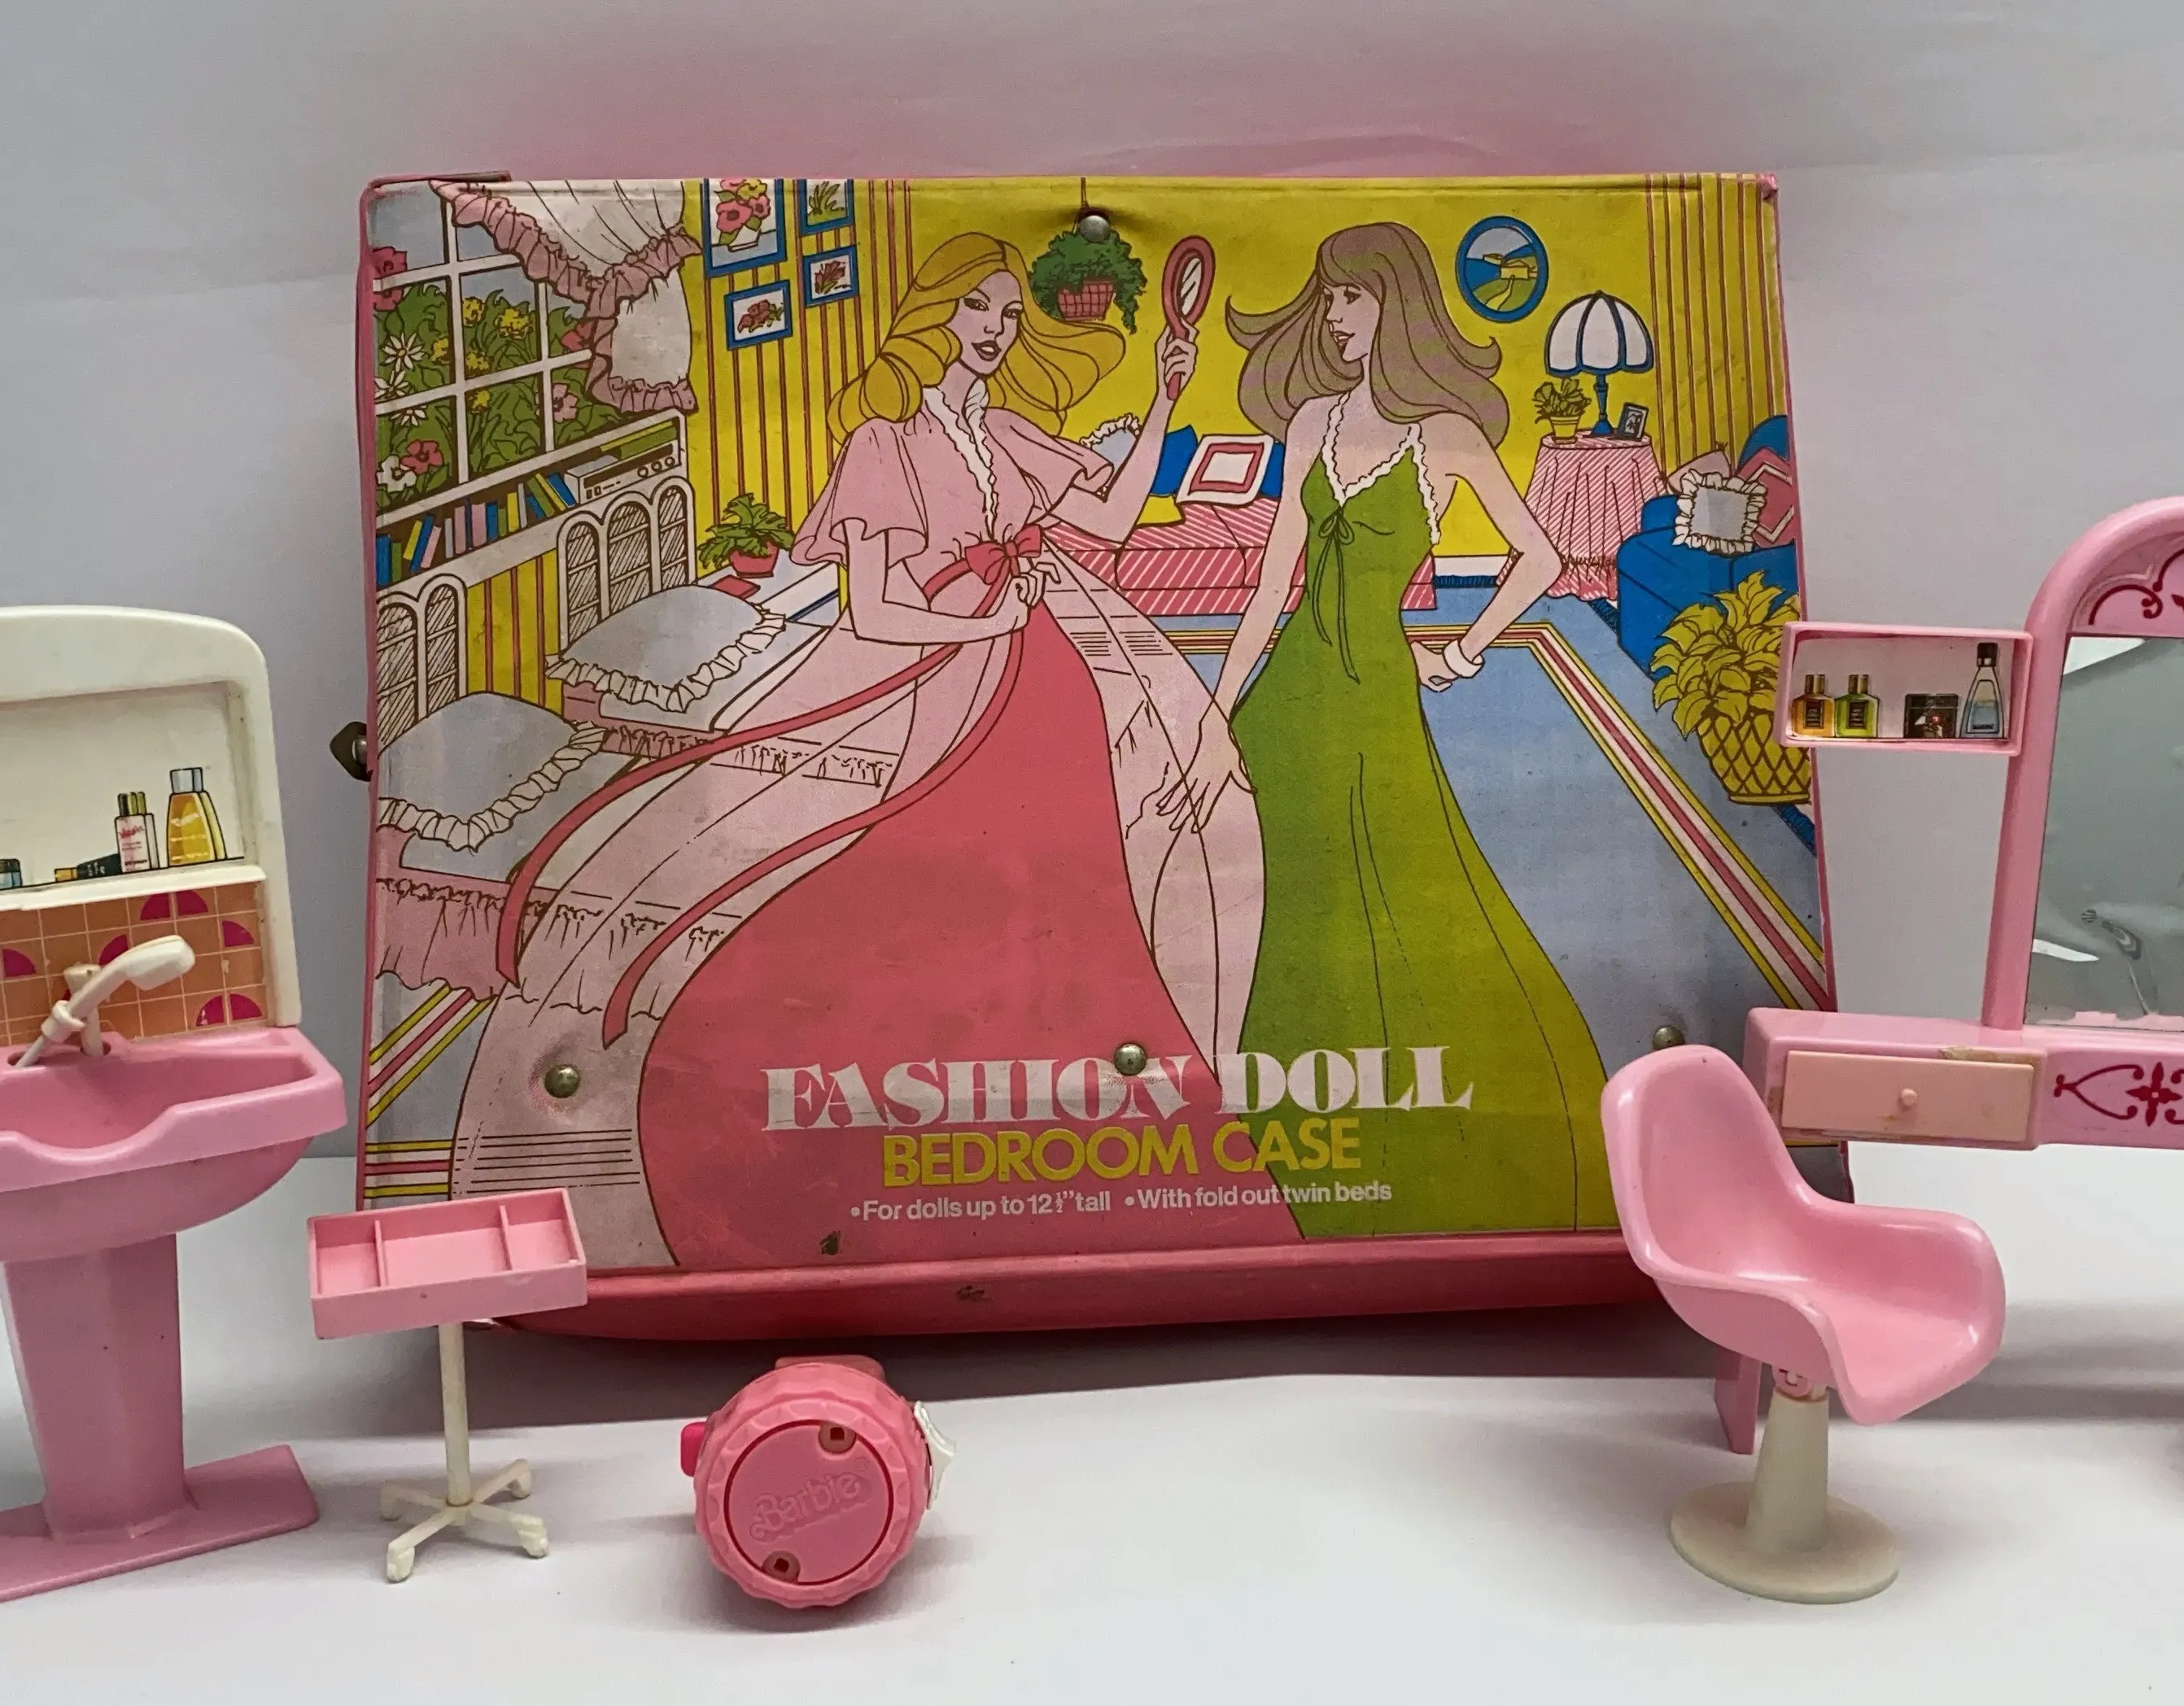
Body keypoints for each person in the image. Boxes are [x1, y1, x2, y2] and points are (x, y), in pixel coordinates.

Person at [450, 232, 1285, 1269]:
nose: (992, 330)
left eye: (1007, 315)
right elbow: (880, 612)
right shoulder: (883, 446)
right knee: (918, 901)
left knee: (1073, 903)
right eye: (975, 308)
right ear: (933, 313)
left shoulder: (1006, 433)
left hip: (1041, 690)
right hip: (944, 690)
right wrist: (988, 619)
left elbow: (1112, 520)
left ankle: (1065, 1132)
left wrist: (1164, 398)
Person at [1157, 222, 1614, 1236]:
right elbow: (1271, 582)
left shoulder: (1445, 435)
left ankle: (1392, 1135)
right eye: (1327, 298)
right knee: (1265, 886)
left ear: (1393, 304)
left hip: (1376, 699)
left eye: (1350, 297)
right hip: (1291, 689)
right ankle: (1262, 1113)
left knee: (1394, 901)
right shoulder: (1310, 421)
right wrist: (1216, 714)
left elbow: (1537, 559)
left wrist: (1462, 647)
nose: (1333, 316)